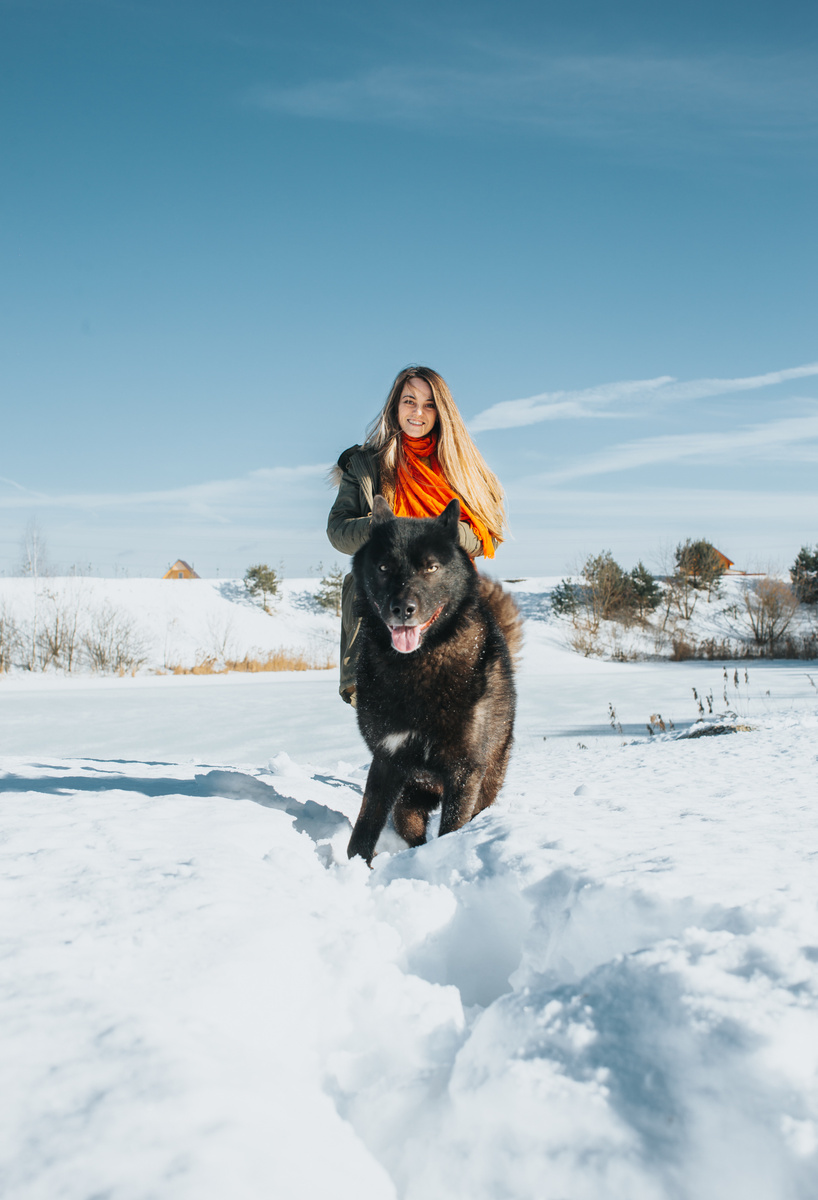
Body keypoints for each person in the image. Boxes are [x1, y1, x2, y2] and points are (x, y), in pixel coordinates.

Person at [327, 365, 507, 704]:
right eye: (409, 401)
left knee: (450, 706)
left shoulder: (463, 468)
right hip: (384, 600)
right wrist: (385, 531)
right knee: (385, 710)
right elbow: (338, 532)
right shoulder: (365, 465)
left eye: (429, 404)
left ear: (441, 411)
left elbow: (488, 534)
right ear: (395, 406)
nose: (418, 412)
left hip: (442, 600)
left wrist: (438, 536)